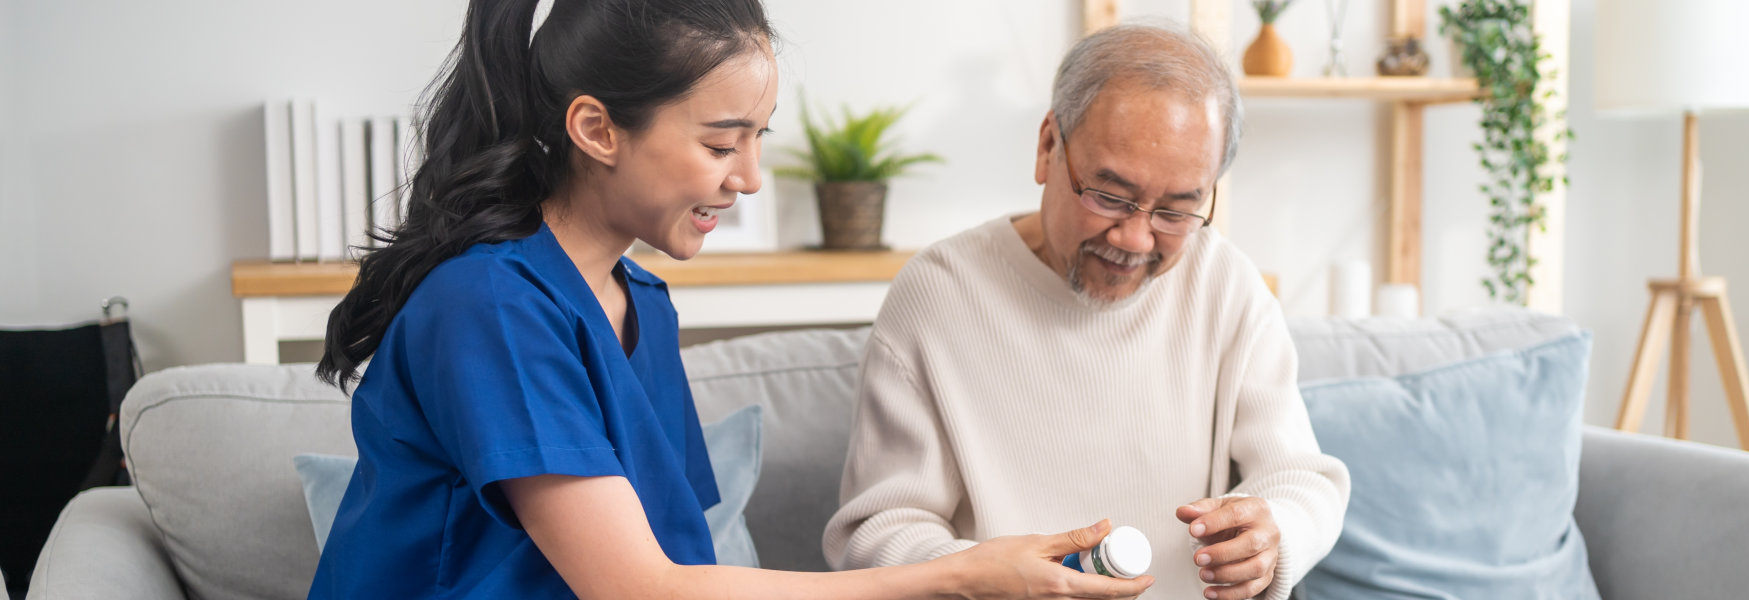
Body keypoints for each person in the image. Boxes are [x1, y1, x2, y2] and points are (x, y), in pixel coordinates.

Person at [308, 1, 1154, 598]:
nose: (748, 178)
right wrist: (960, 573)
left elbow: (684, 561)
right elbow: (639, 589)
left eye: (758, 139)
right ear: (597, 129)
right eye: (721, 142)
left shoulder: (641, 304)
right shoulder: (489, 306)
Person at [823, 24, 1351, 600]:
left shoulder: (1225, 284)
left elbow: (1300, 477)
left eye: (1176, 210)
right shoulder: (939, 295)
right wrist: (983, 577)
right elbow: (875, 532)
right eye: (1109, 196)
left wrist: (1273, 533)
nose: (1136, 239)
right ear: (1049, 145)